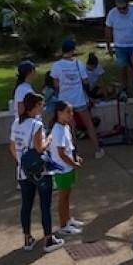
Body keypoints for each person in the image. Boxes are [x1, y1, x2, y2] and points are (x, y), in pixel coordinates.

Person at [10, 92, 63, 253]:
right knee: (45, 205)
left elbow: (12, 147)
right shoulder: (36, 125)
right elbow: (40, 148)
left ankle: (27, 238)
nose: (43, 107)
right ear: (35, 106)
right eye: (41, 104)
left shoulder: (16, 123)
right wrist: (50, 140)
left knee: (26, 205)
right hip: (40, 171)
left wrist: (21, 161)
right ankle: (48, 239)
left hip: (23, 171)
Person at [52, 38, 105, 159]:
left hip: (65, 99)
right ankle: (97, 149)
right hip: (79, 99)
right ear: (73, 50)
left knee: (70, 127)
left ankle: (73, 153)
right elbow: (85, 80)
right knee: (88, 124)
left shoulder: (57, 65)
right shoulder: (78, 63)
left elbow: (55, 84)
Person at [48, 101, 85, 236]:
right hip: (62, 169)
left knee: (67, 195)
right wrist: (74, 164)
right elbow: (61, 153)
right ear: (59, 113)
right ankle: (63, 225)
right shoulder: (57, 130)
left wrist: (76, 158)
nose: (71, 114)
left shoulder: (65, 127)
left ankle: (68, 219)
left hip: (67, 168)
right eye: (68, 112)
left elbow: (69, 148)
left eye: (71, 111)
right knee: (63, 198)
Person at [105, 0, 133, 94]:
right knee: (122, 68)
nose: (121, 10)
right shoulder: (112, 14)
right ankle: (124, 88)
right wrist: (109, 45)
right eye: (119, 8)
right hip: (120, 46)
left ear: (128, 5)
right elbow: (108, 29)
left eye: (124, 8)